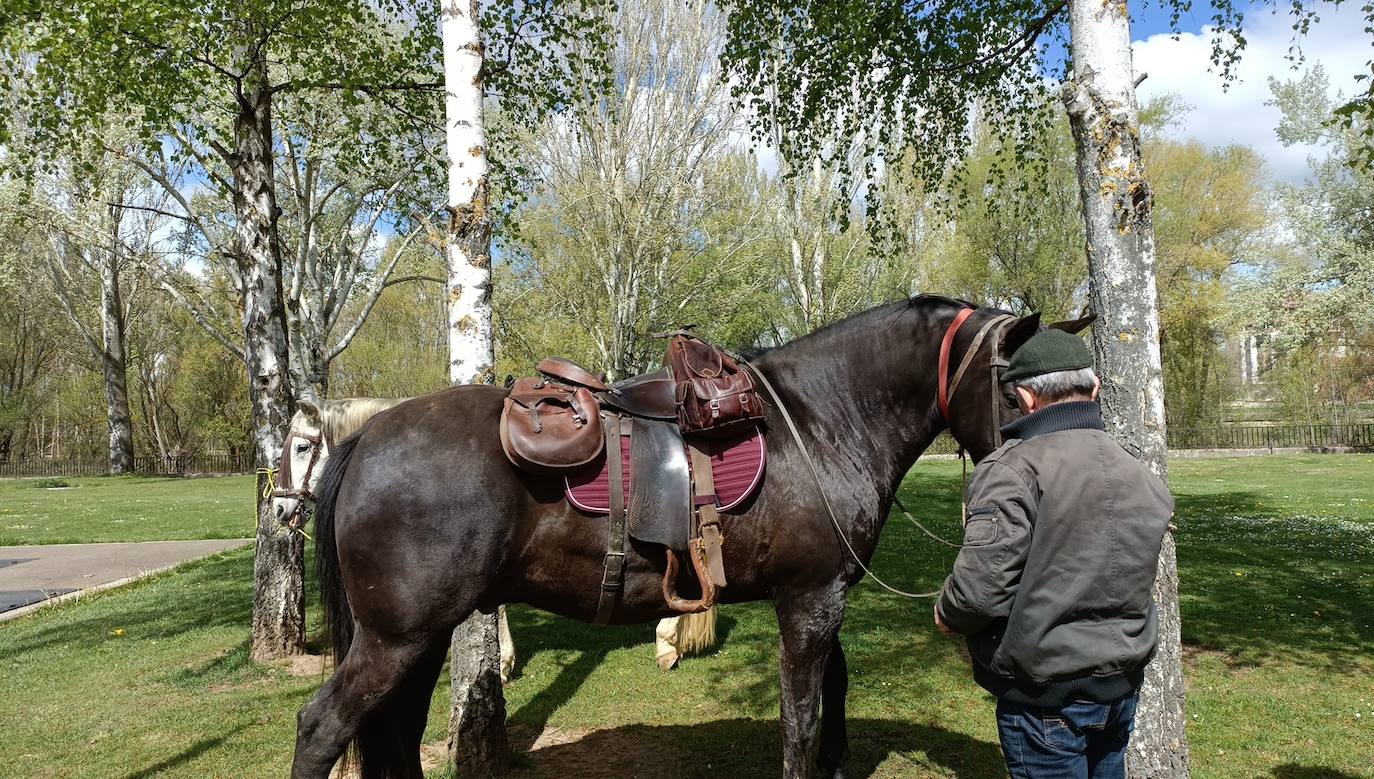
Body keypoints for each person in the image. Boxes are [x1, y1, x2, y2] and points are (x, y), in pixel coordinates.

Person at [934, 329, 1173, 778]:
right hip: (1120, 688)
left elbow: (978, 594)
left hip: (1046, 699)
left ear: (1025, 397)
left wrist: (948, 614)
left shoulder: (1012, 469)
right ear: (1095, 388)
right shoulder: (1138, 471)